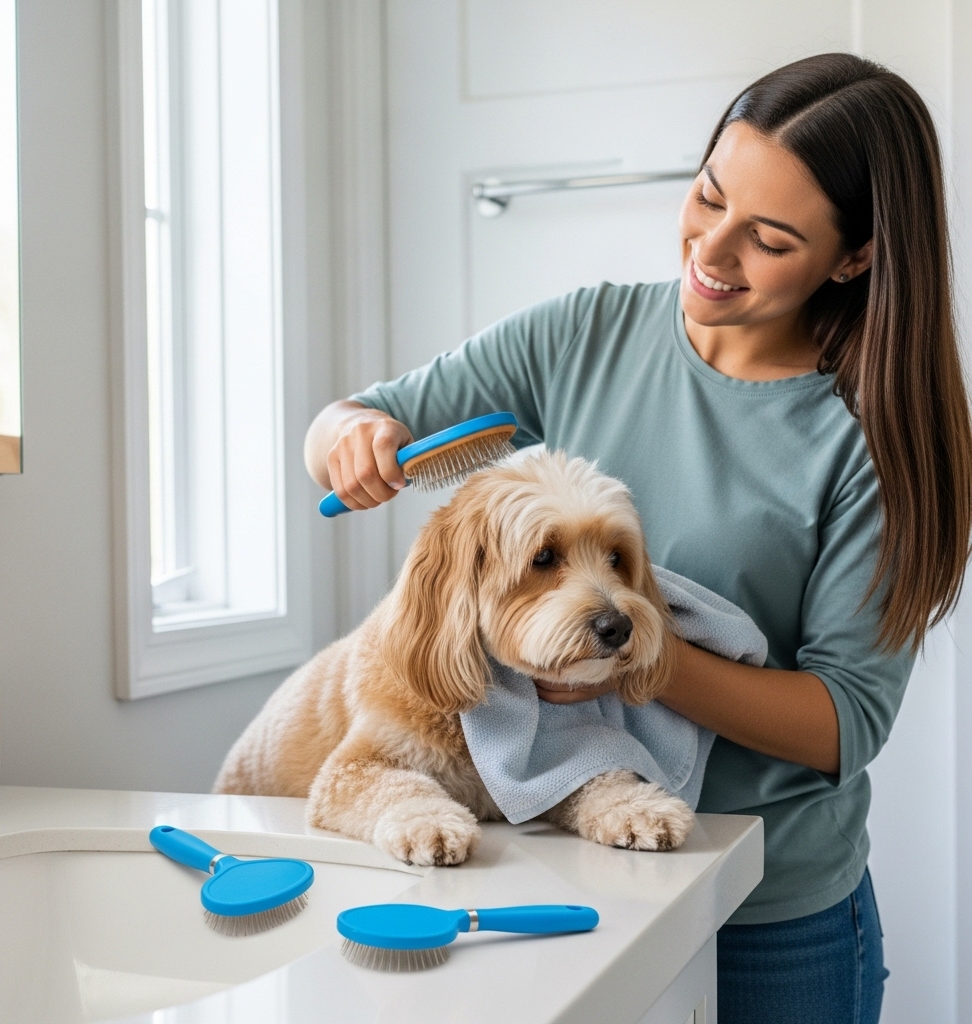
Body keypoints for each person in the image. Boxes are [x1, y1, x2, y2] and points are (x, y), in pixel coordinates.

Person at [303, 53, 972, 1024]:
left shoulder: (871, 434)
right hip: (567, 871)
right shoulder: (585, 333)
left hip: (767, 912)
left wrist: (628, 653)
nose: (713, 249)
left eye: (770, 240)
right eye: (708, 197)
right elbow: (365, 415)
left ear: (852, 258)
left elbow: (842, 723)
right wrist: (348, 438)